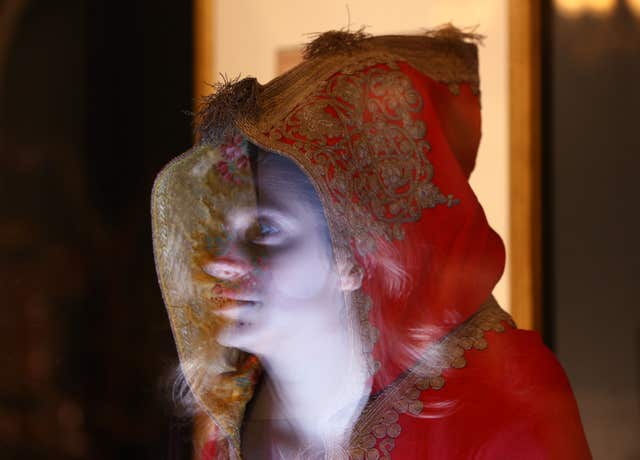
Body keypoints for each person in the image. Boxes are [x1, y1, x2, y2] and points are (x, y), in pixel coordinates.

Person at [151, 26, 591, 459]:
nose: (222, 261)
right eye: (227, 230)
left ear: (353, 252)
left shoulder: (503, 396)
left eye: (266, 230)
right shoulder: (235, 411)